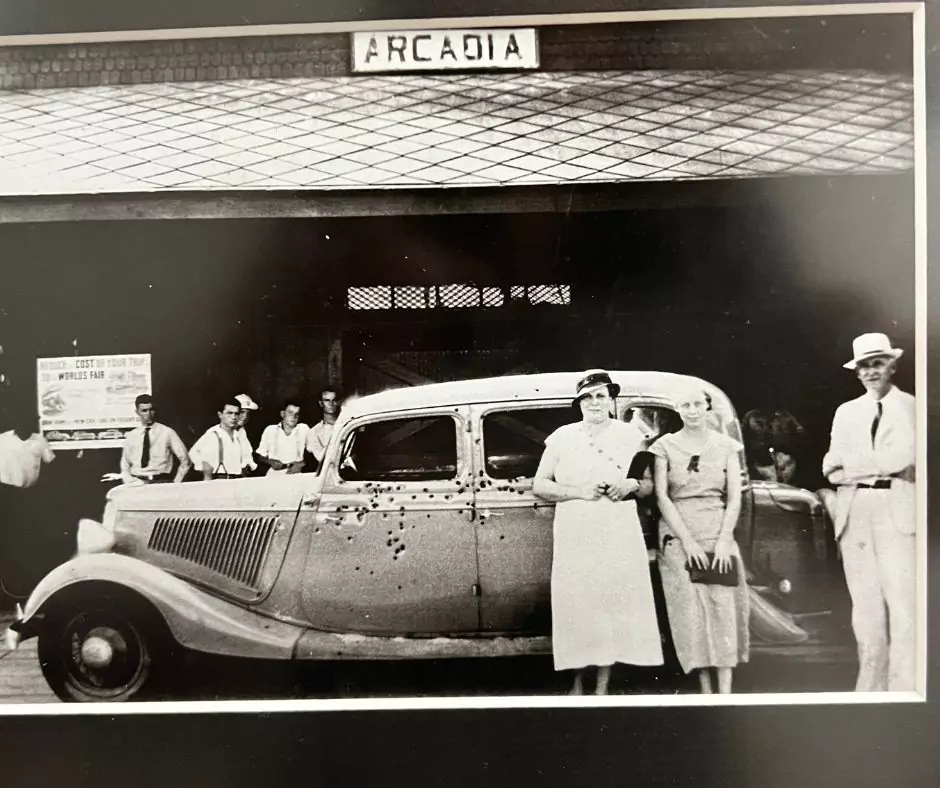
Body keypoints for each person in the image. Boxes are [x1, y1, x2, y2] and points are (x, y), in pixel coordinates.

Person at [533, 370, 663, 695]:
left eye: (601, 396)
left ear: (610, 399)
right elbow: (540, 484)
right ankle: (577, 679)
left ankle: (603, 685)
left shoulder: (630, 436)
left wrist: (628, 485)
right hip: (576, 529)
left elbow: (646, 486)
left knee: (611, 602)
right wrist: (579, 491)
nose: (594, 402)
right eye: (587, 397)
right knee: (578, 603)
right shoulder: (561, 437)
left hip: (616, 528)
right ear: (578, 403)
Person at [822, 332, 916, 692]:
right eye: (864, 366)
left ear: (892, 365)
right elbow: (830, 465)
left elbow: (903, 458)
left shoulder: (911, 406)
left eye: (877, 363)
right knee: (865, 607)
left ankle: (904, 688)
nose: (871, 371)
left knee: (904, 605)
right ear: (857, 372)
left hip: (897, 511)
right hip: (855, 512)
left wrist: (856, 466)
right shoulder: (847, 412)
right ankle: (870, 689)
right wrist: (874, 468)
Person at [651, 384, 749, 694]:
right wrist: (688, 542)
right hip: (679, 535)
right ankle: (705, 689)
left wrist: (723, 541)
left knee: (723, 606)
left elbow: (734, 498)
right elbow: (662, 497)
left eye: (697, 404)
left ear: (707, 407)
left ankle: (726, 690)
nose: (692, 411)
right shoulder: (664, 446)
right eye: (685, 405)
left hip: (717, 530)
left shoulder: (726, 446)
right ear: (677, 410)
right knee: (690, 612)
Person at [119, 394, 191, 485]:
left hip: (161, 481)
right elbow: (125, 464)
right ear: (137, 412)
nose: (148, 414)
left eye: (151, 410)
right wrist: (129, 482)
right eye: (144, 411)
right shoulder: (132, 436)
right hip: (137, 483)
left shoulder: (167, 432)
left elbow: (186, 461)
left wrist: (176, 483)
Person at [189, 399, 255, 480]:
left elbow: (248, 455)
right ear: (220, 415)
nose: (233, 417)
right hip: (220, 479)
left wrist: (247, 465)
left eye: (236, 414)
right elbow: (193, 453)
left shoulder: (239, 434)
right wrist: (205, 467)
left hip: (238, 479)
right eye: (229, 413)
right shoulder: (213, 433)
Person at [257, 399, 309, 476]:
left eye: (297, 414)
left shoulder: (304, 429)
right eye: (290, 413)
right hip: (275, 474)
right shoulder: (270, 430)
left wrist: (301, 464)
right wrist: (271, 462)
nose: (294, 417)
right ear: (282, 414)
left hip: (296, 473)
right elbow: (260, 456)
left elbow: (314, 453)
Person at [305, 387, 341, 471]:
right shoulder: (313, 432)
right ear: (321, 403)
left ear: (339, 402)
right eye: (327, 400)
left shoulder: (347, 424)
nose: (331, 403)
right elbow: (320, 458)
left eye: (334, 400)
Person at [234, 393, 260, 476]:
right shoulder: (223, 432)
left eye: (248, 413)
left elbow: (248, 457)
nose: (245, 417)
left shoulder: (242, 431)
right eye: (242, 412)